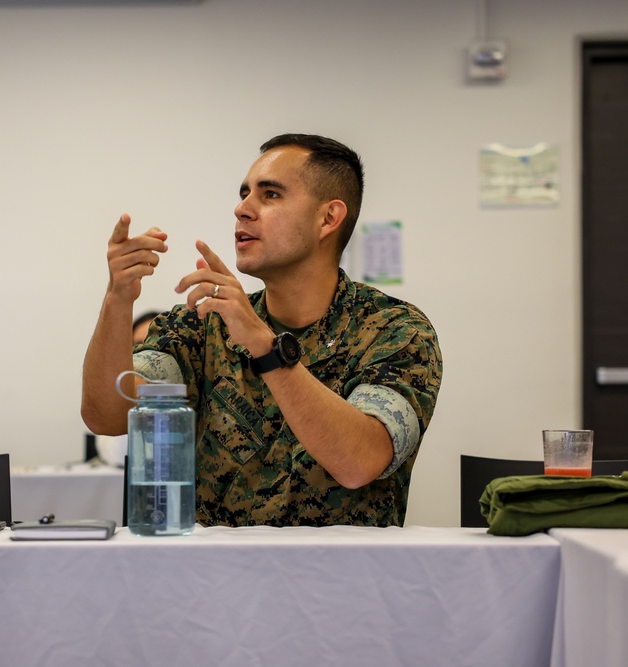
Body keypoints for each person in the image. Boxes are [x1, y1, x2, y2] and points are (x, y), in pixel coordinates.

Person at [81, 133, 442, 527]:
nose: (242, 209)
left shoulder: (396, 331)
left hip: (340, 581)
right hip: (216, 579)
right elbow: (107, 416)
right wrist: (118, 299)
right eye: (244, 193)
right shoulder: (204, 324)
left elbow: (359, 463)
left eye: (270, 195)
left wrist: (266, 348)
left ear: (328, 218)